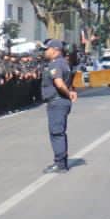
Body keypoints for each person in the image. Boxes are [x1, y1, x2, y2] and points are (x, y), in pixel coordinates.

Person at [41, 39, 77, 173]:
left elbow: (60, 83)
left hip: (57, 101)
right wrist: (72, 92)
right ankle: (61, 161)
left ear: (55, 50)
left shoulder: (56, 64)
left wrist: (68, 94)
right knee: (59, 132)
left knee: (56, 133)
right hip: (60, 102)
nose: (45, 51)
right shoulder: (65, 63)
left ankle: (60, 164)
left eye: (47, 49)